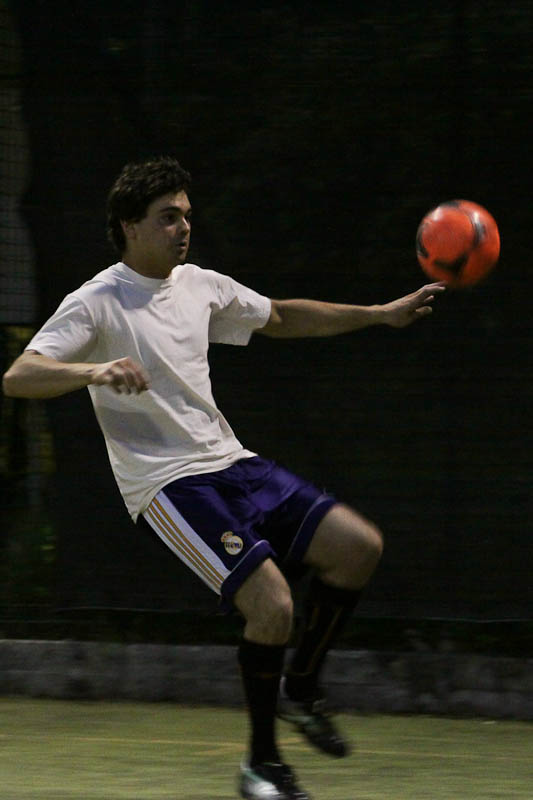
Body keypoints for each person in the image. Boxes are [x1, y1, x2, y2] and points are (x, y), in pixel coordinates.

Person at [2, 156, 445, 800]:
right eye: (167, 218)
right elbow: (19, 375)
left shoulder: (200, 285)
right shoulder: (96, 301)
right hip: (166, 485)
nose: (183, 227)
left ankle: (301, 687)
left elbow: (281, 316)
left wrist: (379, 313)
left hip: (231, 462)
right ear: (129, 226)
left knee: (358, 547)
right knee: (272, 605)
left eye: (186, 215)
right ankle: (261, 766)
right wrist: (92, 371)